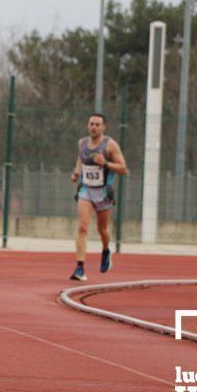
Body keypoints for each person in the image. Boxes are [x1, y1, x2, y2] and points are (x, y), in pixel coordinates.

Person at [70, 112, 127, 281]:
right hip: (86, 190)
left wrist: (106, 163)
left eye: (97, 124)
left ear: (103, 127)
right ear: (88, 126)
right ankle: (80, 268)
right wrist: (76, 173)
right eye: (91, 124)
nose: (93, 127)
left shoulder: (110, 146)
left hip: (103, 192)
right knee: (82, 227)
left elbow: (123, 168)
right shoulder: (82, 143)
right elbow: (80, 159)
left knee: (102, 230)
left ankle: (105, 250)